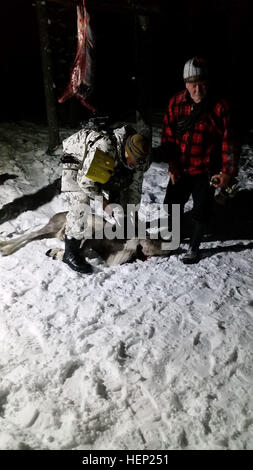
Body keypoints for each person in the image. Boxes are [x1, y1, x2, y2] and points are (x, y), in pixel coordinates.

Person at [161, 56, 240, 264]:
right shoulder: (175, 103)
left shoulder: (220, 107)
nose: (197, 90)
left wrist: (227, 172)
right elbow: (168, 136)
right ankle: (175, 239)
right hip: (181, 168)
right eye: (193, 85)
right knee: (171, 205)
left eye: (202, 85)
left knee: (201, 211)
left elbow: (229, 142)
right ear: (186, 84)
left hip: (206, 170)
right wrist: (172, 164)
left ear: (209, 83)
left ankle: (194, 246)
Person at [60, 124, 150, 273]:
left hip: (109, 166)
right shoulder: (106, 148)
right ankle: (70, 252)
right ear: (126, 152)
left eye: (137, 163)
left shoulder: (140, 160)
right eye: (132, 161)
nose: (135, 164)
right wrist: (104, 203)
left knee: (123, 193)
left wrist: (132, 219)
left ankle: (122, 230)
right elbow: (86, 183)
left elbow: (134, 191)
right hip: (78, 161)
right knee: (81, 204)